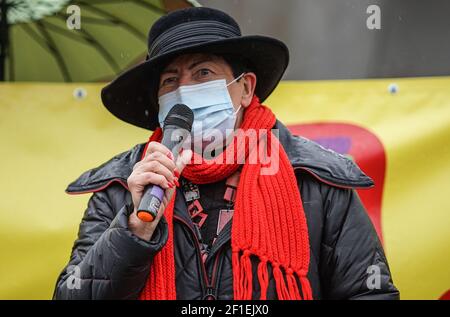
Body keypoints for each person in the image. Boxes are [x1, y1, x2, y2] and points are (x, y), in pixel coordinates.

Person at [53, 7, 399, 300]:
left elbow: (370, 292)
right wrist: (133, 229)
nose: (185, 91)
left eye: (203, 73)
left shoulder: (314, 178)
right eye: (170, 81)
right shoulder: (121, 187)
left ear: (246, 88)